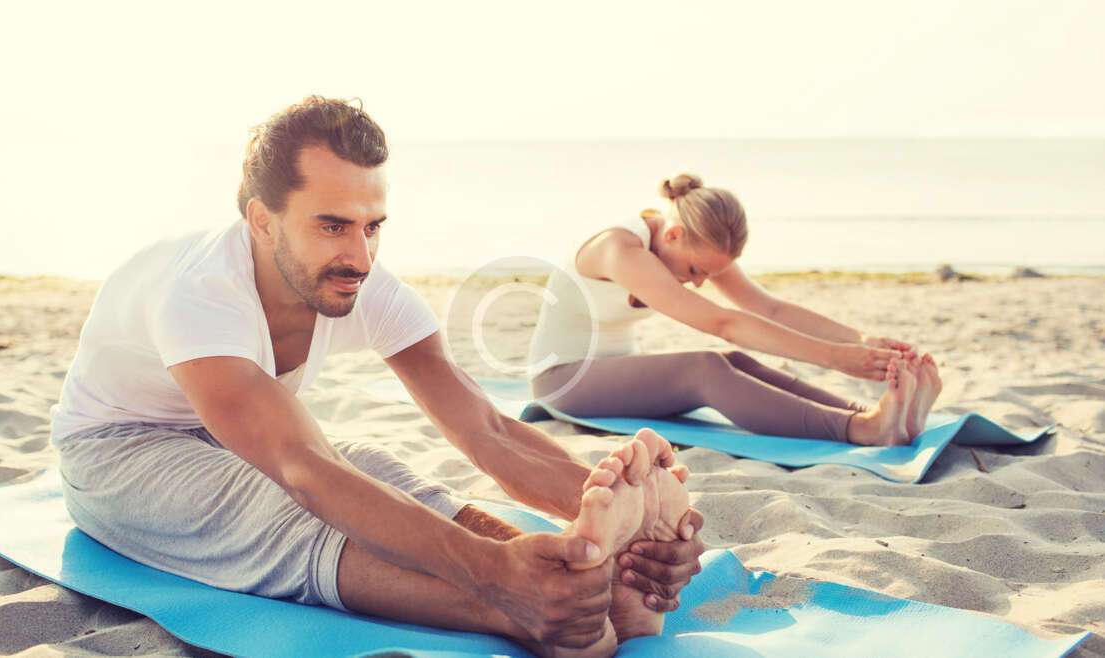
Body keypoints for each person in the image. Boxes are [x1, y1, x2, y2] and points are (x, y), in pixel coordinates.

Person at [48, 97, 706, 657]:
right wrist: (489, 576)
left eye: (372, 227)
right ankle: (518, 613)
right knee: (293, 506)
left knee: (369, 467)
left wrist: (610, 514)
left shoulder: (365, 285)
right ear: (262, 220)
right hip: (118, 451)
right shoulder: (200, 293)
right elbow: (301, 469)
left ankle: (581, 578)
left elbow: (486, 430)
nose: (359, 256)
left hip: (229, 440)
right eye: (332, 225)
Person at [529, 173, 943, 447]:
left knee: (734, 361)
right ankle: (861, 430)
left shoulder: (692, 243)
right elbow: (722, 322)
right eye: (695, 271)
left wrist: (859, 340)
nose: (698, 282)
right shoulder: (620, 250)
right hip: (564, 381)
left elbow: (767, 309)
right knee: (704, 368)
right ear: (672, 235)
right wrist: (834, 358)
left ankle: (877, 416)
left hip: (613, 374)